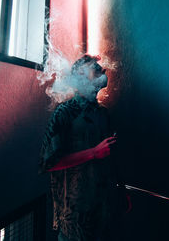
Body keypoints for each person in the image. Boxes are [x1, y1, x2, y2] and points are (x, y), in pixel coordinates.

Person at [38, 54, 117, 241]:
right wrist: (93, 153)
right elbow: (47, 163)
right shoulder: (65, 113)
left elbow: (110, 158)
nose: (102, 69)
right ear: (80, 73)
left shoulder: (103, 113)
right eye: (94, 66)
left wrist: (119, 190)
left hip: (104, 207)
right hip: (75, 216)